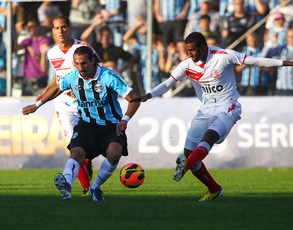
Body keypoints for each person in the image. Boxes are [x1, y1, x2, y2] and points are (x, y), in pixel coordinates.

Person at [130, 32, 293, 202]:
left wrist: (287, 63)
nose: (189, 54)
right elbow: (167, 84)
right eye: (187, 50)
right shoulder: (187, 64)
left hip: (228, 107)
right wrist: (147, 96)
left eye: (192, 50)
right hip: (206, 109)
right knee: (189, 155)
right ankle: (214, 189)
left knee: (207, 139)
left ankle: (185, 167)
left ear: (203, 47)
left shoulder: (223, 56)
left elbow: (257, 61)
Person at [22, 46, 141, 201]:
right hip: (86, 124)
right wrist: (36, 105)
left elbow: (134, 99)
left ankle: (95, 187)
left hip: (111, 125)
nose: (80, 68)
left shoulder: (108, 76)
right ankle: (66, 185)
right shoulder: (73, 76)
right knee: (76, 153)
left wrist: (125, 120)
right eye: (77, 64)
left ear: (93, 61)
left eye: (84, 63)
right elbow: (58, 88)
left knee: (115, 153)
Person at [33, 16, 97, 196]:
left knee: (86, 148)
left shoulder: (82, 48)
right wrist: (45, 92)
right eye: (56, 28)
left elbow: (97, 69)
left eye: (63, 27)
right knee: (73, 145)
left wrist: (80, 87)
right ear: (52, 31)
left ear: (69, 29)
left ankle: (87, 163)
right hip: (64, 104)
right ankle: (86, 187)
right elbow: (58, 77)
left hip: (87, 102)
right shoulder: (52, 53)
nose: (60, 31)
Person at [15, 19, 50, 96]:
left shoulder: (43, 41)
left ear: (38, 27)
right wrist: (18, 32)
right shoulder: (27, 41)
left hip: (39, 79)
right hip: (26, 79)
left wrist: (35, 56)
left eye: (32, 26)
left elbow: (44, 66)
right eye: (28, 27)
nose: (30, 28)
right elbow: (15, 48)